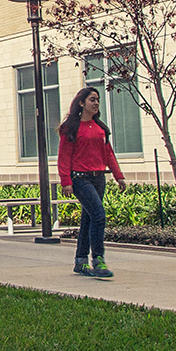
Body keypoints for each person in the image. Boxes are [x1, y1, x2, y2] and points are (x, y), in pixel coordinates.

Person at [57, 87, 127, 278]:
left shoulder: (100, 129)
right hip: (80, 178)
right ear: (81, 103)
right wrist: (66, 181)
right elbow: (64, 156)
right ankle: (98, 260)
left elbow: (108, 154)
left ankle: (80, 262)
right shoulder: (70, 128)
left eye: (97, 100)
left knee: (88, 219)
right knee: (98, 215)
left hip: (99, 178)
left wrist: (118, 175)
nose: (96, 103)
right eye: (92, 100)